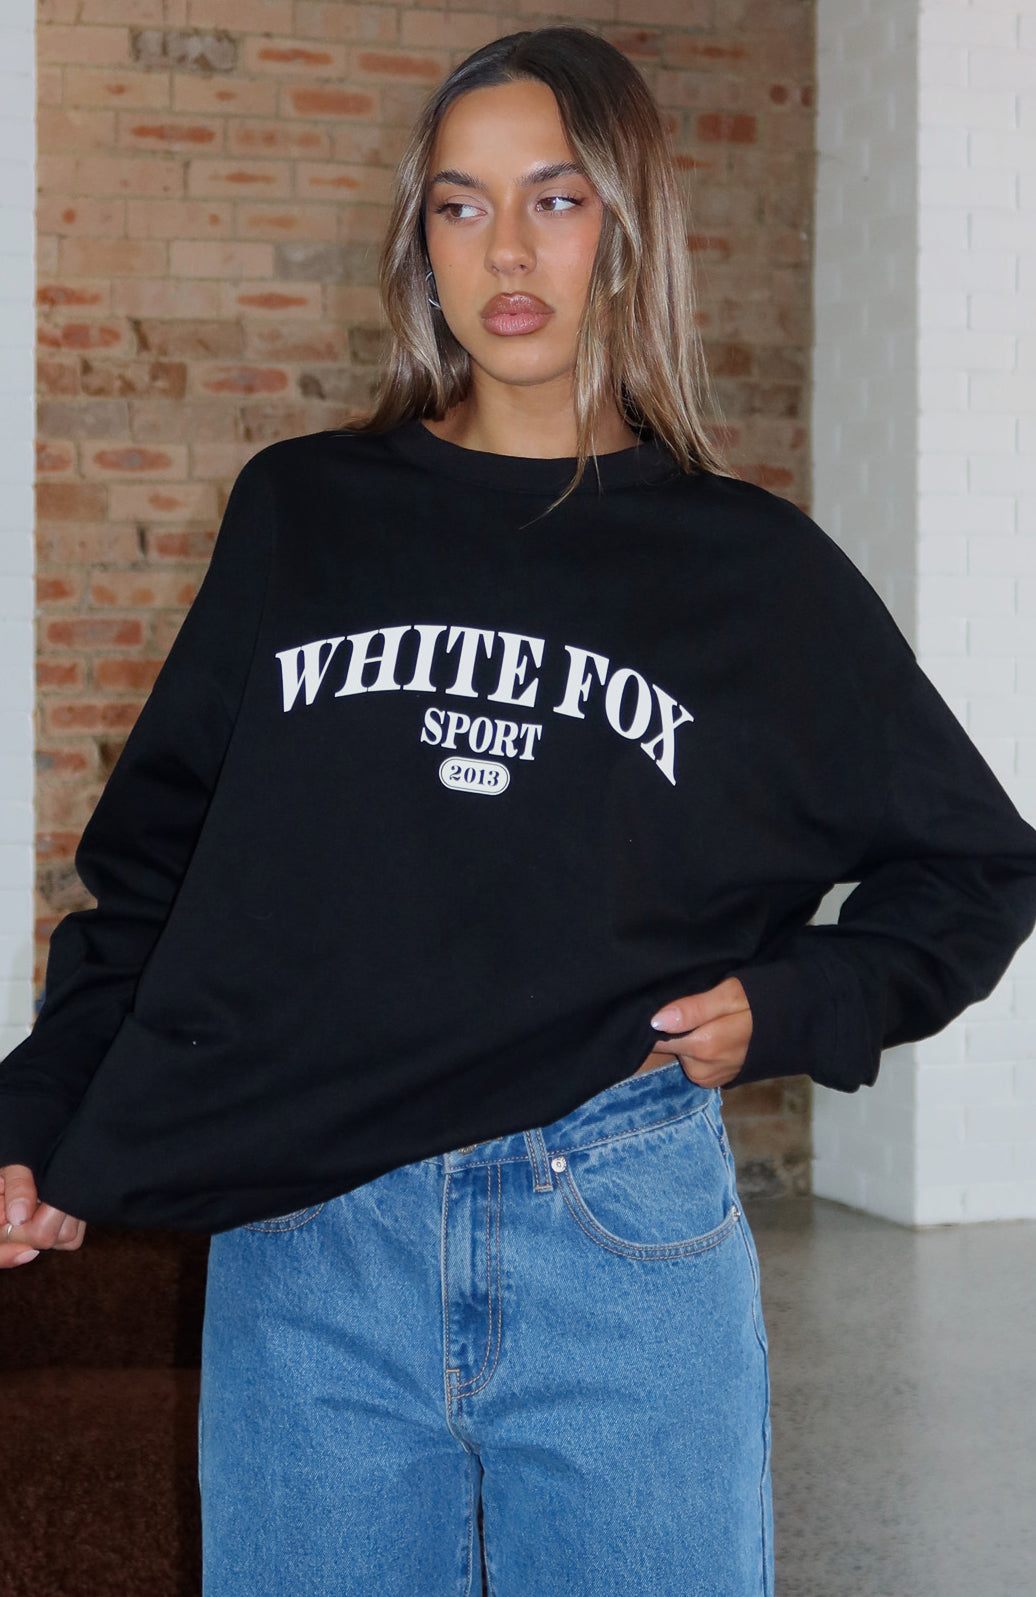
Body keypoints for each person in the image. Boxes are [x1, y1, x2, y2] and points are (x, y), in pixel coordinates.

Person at [2, 25, 1036, 1597]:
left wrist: (796, 1002)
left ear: (627, 226)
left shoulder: (751, 573)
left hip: (618, 1235)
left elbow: (976, 862)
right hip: (312, 1232)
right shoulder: (305, 514)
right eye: (460, 204)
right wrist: (40, 1109)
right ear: (418, 239)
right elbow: (158, 874)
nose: (506, 250)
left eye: (555, 199)